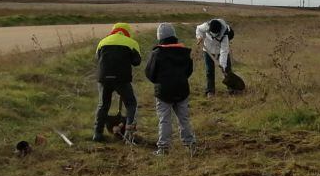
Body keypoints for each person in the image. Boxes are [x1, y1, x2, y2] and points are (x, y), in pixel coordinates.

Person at [145, 23, 196, 156]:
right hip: (182, 90)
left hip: (163, 92)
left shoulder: (157, 53)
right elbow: (189, 71)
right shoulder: (185, 52)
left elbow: (150, 73)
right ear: (174, 35)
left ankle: (163, 149)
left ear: (159, 37)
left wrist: (159, 82)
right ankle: (190, 145)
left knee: (165, 120)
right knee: (184, 119)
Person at [92, 22, 141, 142]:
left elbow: (98, 58)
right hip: (122, 79)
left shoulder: (102, 42)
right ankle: (129, 133)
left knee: (103, 105)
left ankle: (97, 134)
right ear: (127, 32)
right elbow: (136, 61)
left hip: (103, 78)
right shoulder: (132, 43)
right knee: (131, 104)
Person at [195, 17, 234, 96]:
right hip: (207, 50)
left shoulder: (225, 36)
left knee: (227, 69)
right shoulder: (206, 25)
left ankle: (231, 88)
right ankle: (210, 91)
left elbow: (224, 51)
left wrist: (222, 65)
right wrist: (199, 36)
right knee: (209, 71)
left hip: (220, 51)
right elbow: (198, 29)